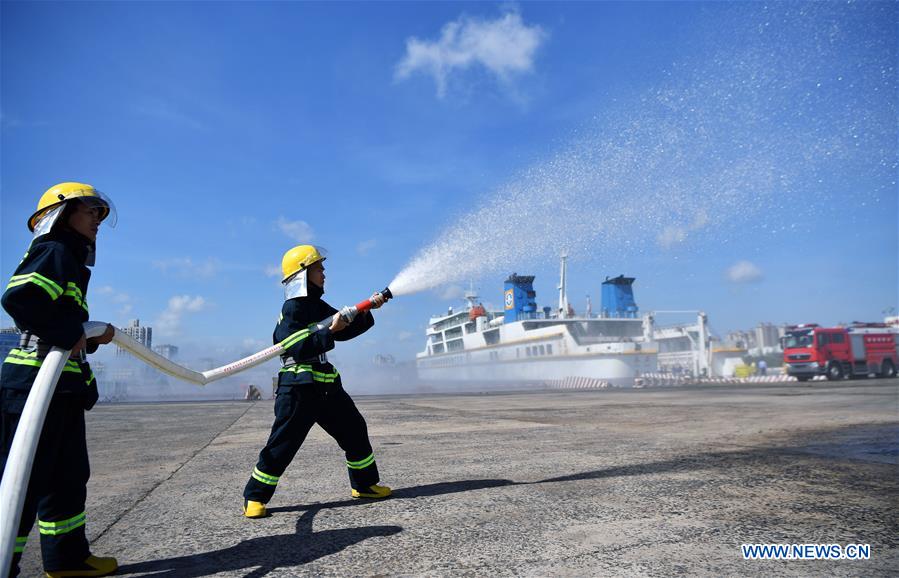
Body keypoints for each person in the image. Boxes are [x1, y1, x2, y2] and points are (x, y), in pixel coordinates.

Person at [1, 182, 118, 577]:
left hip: (58, 390)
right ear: (61, 216)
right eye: (90, 212)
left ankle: (66, 559)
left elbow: (62, 324)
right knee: (23, 483)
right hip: (33, 388)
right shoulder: (53, 251)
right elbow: (20, 299)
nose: (97, 221)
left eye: (100, 215)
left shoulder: (70, 260)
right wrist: (74, 333)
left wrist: (88, 336)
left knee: (67, 478)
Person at [242, 245, 390, 518]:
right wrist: (330, 330)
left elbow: (343, 332)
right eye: (318, 268)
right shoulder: (293, 308)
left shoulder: (316, 305)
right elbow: (292, 345)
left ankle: (365, 485)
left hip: (325, 385)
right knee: (283, 443)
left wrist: (368, 311)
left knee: (354, 430)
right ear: (303, 274)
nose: (324, 273)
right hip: (298, 387)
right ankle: (254, 497)